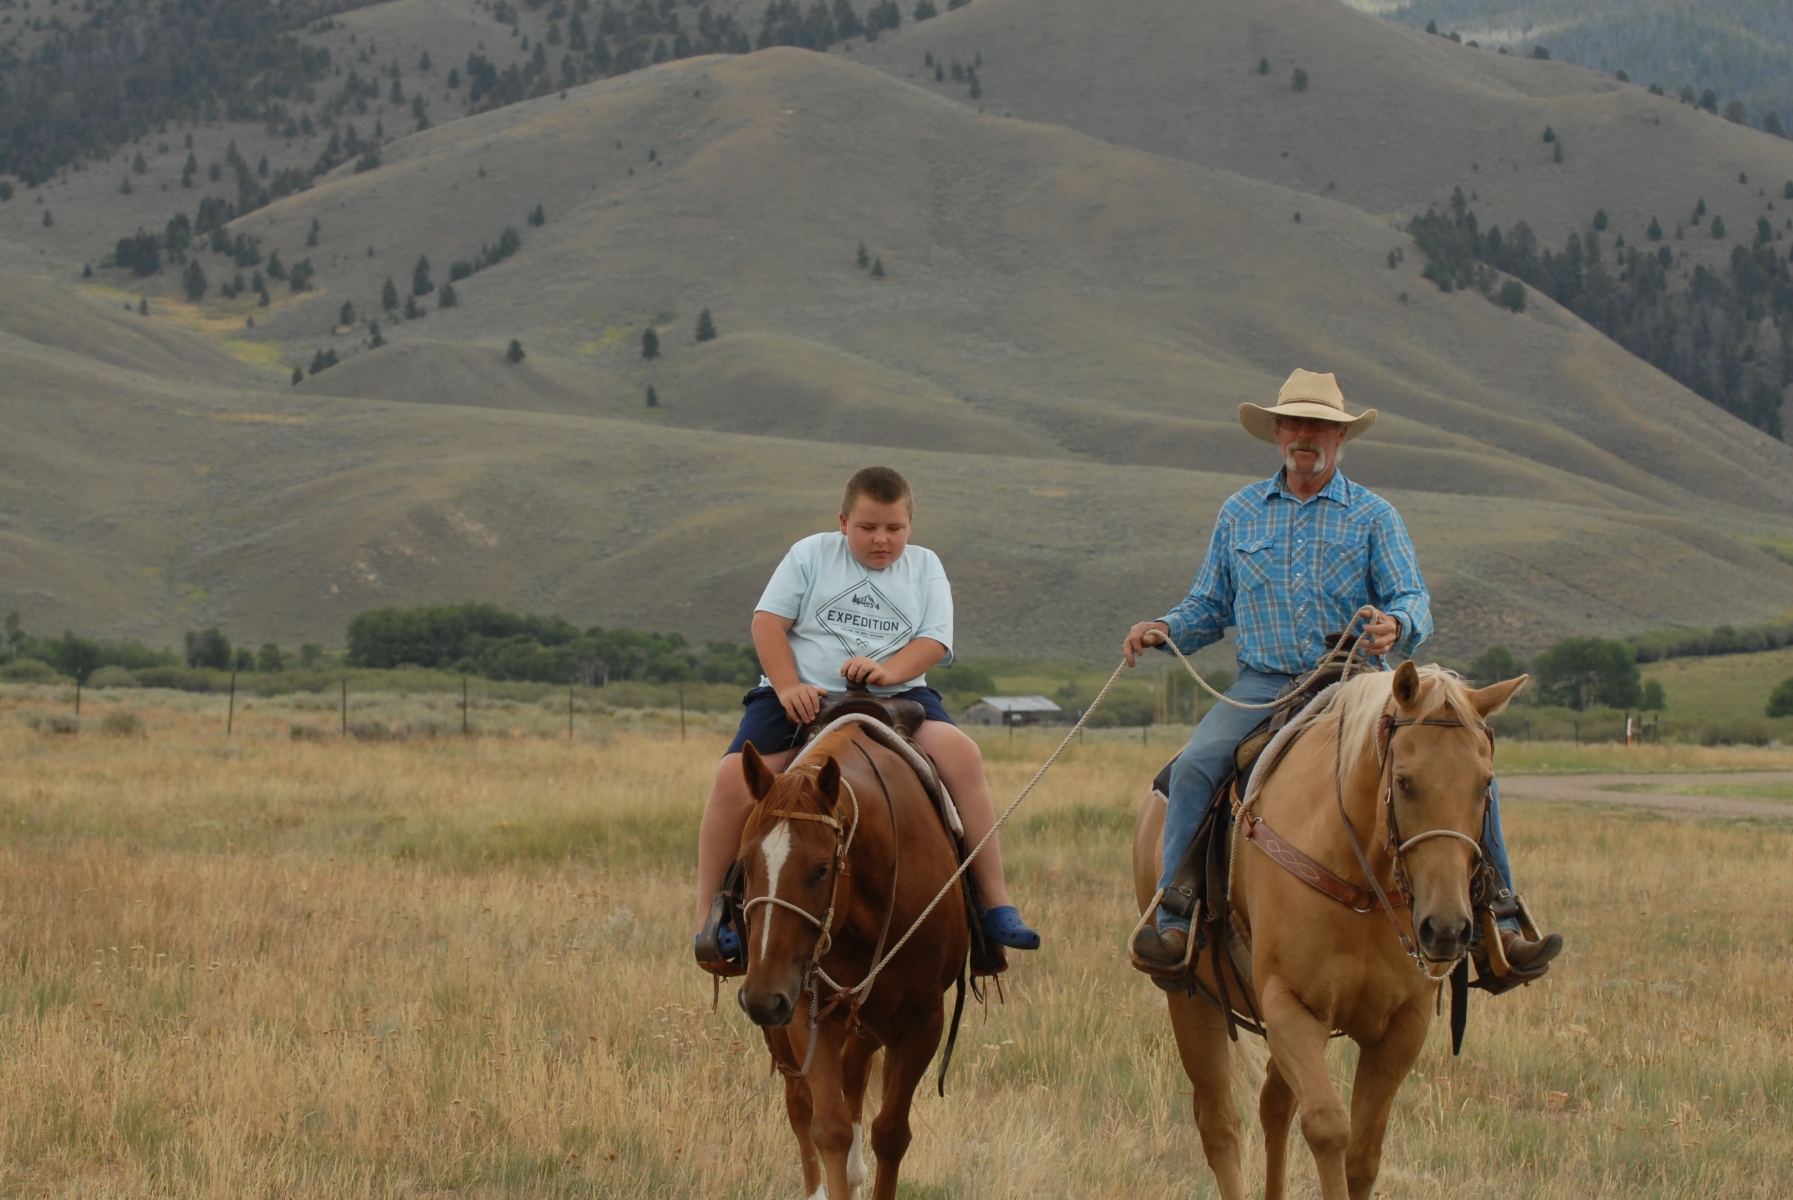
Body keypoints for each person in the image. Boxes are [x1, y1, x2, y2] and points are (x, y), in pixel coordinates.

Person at [1124, 369, 1561, 976]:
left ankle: (1500, 923)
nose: (1305, 435)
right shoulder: (1239, 513)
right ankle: (1177, 917)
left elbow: (1412, 598)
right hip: (1264, 683)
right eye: (1294, 423)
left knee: (1461, 767)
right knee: (1197, 765)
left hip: (1358, 683)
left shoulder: (1374, 515)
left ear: (1340, 437)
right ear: (1278, 432)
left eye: (1320, 425)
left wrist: (1395, 626)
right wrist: (1166, 627)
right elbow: (1210, 605)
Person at [693, 466, 1039, 975]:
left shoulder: (925, 565)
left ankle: (993, 902)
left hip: (898, 696)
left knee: (964, 756)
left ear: (910, 526)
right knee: (732, 779)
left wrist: (888, 672)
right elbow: (767, 623)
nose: (882, 539)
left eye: (894, 528)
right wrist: (787, 687)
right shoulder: (811, 554)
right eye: (868, 527)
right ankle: (712, 912)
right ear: (843, 523)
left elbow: (934, 640)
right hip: (804, 696)